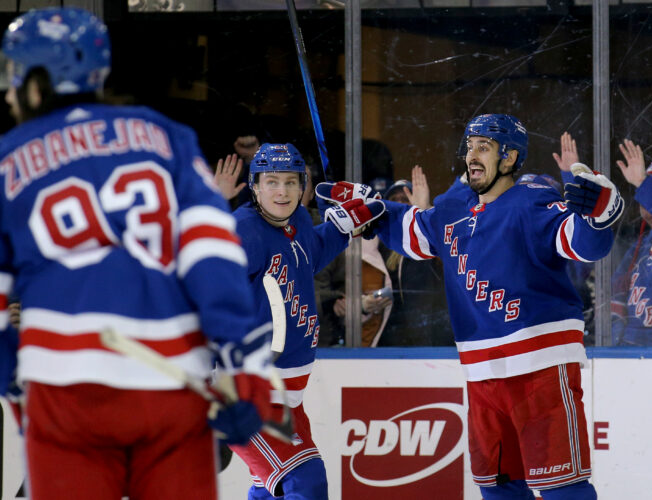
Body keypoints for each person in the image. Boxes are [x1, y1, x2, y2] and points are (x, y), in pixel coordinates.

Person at [0, 8, 275, 500]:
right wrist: (247, 373)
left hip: (66, 399)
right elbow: (216, 264)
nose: (7, 92)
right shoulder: (167, 139)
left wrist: (16, 378)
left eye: (14, 76)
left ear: (39, 81)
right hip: (171, 396)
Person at [323, 114, 625, 499]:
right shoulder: (454, 208)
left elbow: (582, 244)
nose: (472, 156)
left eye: (484, 147)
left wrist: (599, 214)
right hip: (482, 377)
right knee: (498, 489)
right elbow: (414, 232)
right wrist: (370, 212)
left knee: (563, 489)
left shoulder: (533, 202)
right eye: (469, 146)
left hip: (541, 369)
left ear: (511, 157)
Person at [228, 143, 384, 499]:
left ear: (304, 186)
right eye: (271, 182)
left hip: (286, 393)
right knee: (305, 479)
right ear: (255, 186)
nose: (281, 191)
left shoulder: (298, 220)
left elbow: (308, 255)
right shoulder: (242, 231)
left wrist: (342, 229)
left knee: (273, 490)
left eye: (290, 182)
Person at [377, 171, 454, 346]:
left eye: (406, 199)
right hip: (391, 345)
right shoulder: (375, 249)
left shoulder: (431, 243)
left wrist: (422, 216)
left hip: (431, 343)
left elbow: (442, 265)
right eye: (394, 199)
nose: (399, 204)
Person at [611, 140, 652, 345]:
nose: (649, 212)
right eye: (644, 202)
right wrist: (616, 343)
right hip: (632, 352)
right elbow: (617, 290)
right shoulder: (641, 245)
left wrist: (642, 182)